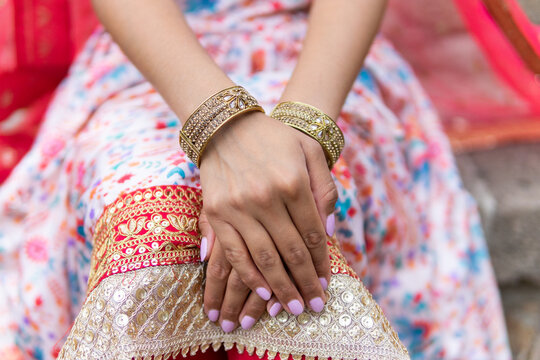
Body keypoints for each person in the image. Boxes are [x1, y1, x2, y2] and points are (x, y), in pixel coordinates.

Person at [0, 0, 511, 359]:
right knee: (151, 230)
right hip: (154, 61)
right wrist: (220, 125)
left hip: (319, 62)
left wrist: (307, 132)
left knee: (312, 219)